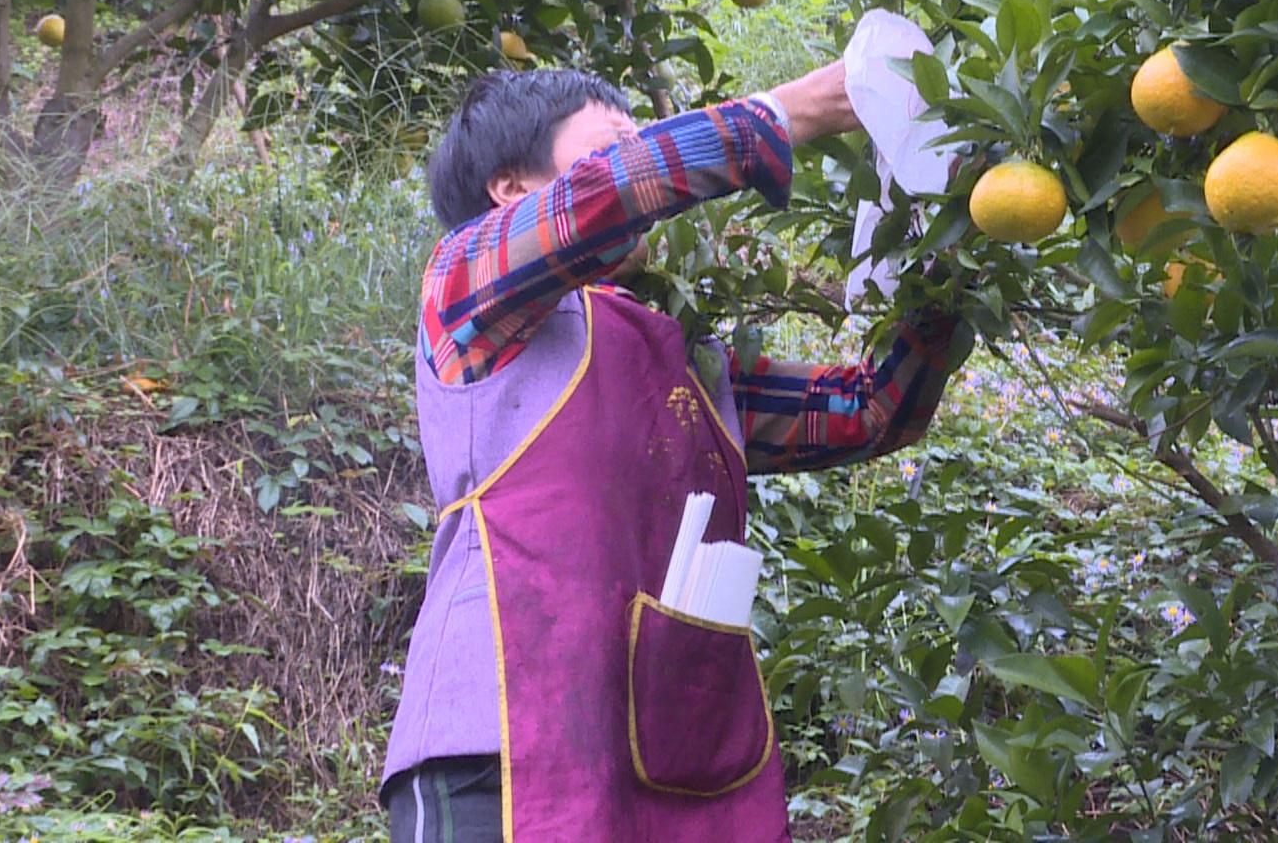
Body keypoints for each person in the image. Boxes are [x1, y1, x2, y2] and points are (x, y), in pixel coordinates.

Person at [380, 61, 970, 842]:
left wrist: (947, 246)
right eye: (612, 145)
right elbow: (605, 198)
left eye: (638, 144)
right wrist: (799, 109)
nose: (634, 161)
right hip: (495, 746)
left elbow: (869, 410)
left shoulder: (685, 359)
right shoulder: (467, 289)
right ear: (512, 190)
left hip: (666, 753)